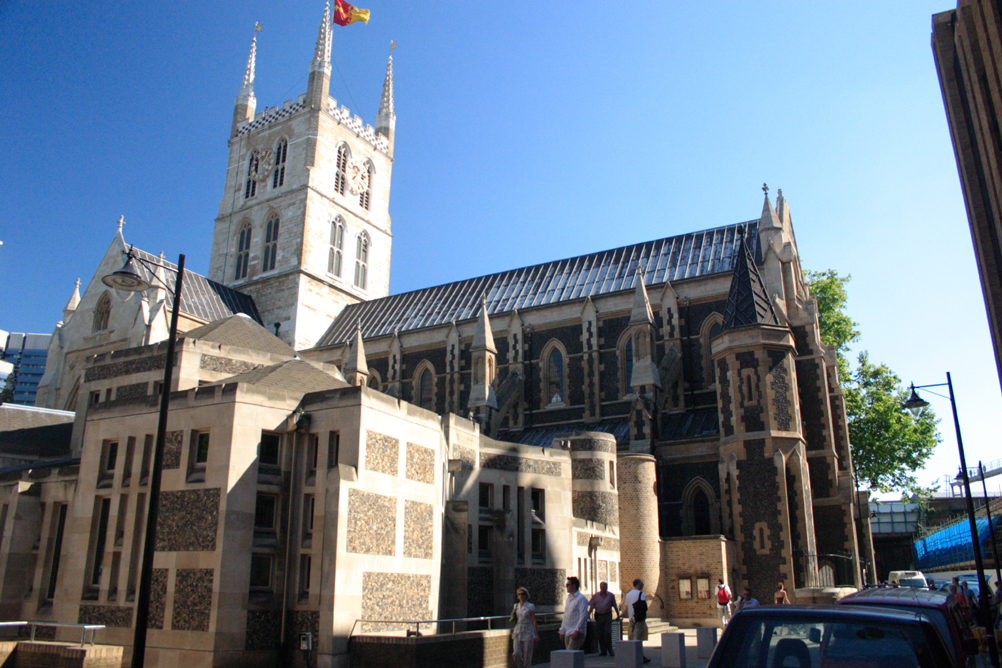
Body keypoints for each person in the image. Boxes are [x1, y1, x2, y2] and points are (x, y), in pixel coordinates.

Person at [623, 579, 651, 664]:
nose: (643, 585)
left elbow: (627, 608)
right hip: (639, 619)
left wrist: (621, 615)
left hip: (631, 618)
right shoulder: (641, 594)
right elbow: (644, 607)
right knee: (638, 639)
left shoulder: (628, 594)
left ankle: (636, 656)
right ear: (639, 585)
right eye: (642, 584)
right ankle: (638, 657)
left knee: (633, 638)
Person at [588, 580, 619, 657]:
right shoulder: (596, 596)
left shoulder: (611, 596)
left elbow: (615, 605)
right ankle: (603, 650)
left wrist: (618, 615)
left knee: (607, 633)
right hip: (599, 616)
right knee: (600, 633)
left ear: (606, 587)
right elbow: (592, 606)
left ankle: (610, 650)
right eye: (601, 587)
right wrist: (588, 614)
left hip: (607, 615)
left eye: (604, 587)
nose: (603, 588)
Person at [511, 587, 539, 668]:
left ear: (526, 595)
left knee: (527, 656)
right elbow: (513, 618)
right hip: (518, 630)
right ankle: (521, 666)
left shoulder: (530, 606)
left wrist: (536, 634)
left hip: (527, 630)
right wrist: (513, 612)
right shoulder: (516, 606)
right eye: (519, 594)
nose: (521, 596)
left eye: (522, 594)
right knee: (516, 653)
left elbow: (533, 620)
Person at [559, 576, 589, 651]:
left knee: (570, 652)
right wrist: (562, 630)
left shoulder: (581, 598)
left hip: (576, 631)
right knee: (569, 654)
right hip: (568, 631)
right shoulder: (568, 599)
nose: (566, 587)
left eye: (568, 585)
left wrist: (577, 630)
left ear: (574, 586)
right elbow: (566, 615)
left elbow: (583, 615)